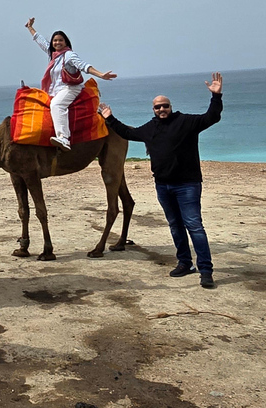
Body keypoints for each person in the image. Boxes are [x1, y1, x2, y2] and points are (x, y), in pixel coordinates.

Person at [99, 72, 224, 289]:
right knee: (175, 226)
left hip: (188, 185)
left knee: (194, 226)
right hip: (163, 186)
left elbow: (211, 117)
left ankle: (206, 270)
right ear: (153, 110)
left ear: (170, 107)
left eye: (165, 106)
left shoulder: (185, 122)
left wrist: (216, 97)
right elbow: (128, 132)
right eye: (157, 107)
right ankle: (185, 263)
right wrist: (109, 118)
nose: (161, 109)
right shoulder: (150, 128)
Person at [25, 18, 117, 151]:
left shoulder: (69, 55)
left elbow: (84, 66)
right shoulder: (52, 54)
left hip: (70, 88)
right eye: (55, 40)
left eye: (60, 40)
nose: (57, 42)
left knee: (56, 105)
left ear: (66, 42)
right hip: (55, 90)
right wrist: (30, 28)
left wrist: (101, 74)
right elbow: (40, 41)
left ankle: (64, 138)